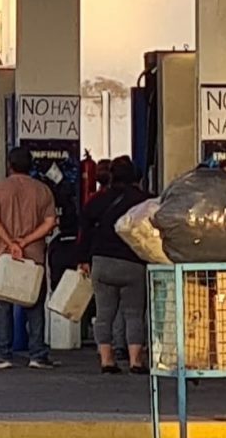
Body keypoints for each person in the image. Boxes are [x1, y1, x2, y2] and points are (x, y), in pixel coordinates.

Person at [77, 157, 152, 375]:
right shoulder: (144, 201)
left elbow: (85, 230)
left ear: (111, 176)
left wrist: (83, 259)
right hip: (133, 262)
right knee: (134, 313)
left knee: (104, 313)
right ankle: (135, 361)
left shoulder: (97, 201)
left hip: (102, 261)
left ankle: (107, 360)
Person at [0, 147, 58, 370]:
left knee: (4, 305)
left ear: (10, 164)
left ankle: (2, 354)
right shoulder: (43, 190)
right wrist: (25, 242)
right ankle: (38, 354)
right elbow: (50, 222)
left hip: (5, 255)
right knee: (34, 304)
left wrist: (11, 243)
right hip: (34, 255)